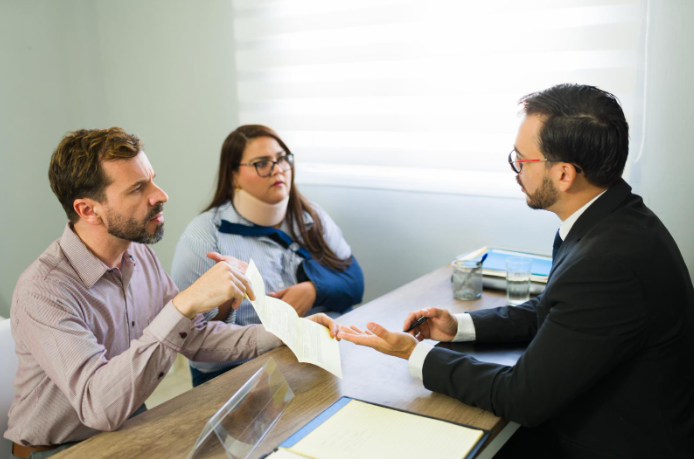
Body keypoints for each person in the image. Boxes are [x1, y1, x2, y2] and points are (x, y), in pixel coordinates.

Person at [338, 84, 694, 458]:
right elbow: (557, 308)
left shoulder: (607, 264)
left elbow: (520, 397)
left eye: (521, 161)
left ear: (564, 175)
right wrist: (459, 327)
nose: (515, 170)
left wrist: (414, 354)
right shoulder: (616, 218)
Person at [4, 127, 338, 459]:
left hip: (127, 429)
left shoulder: (138, 254)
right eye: (138, 188)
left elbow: (194, 337)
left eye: (152, 179)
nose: (160, 194)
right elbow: (98, 408)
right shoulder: (45, 290)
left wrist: (289, 331)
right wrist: (183, 304)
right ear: (88, 210)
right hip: (59, 450)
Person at [172, 124, 363, 386]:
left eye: (282, 159)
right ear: (234, 177)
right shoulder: (205, 235)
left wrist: (314, 290)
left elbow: (355, 283)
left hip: (326, 351)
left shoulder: (310, 216)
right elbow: (196, 344)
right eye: (262, 163)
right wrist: (227, 300)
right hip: (254, 368)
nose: (278, 170)